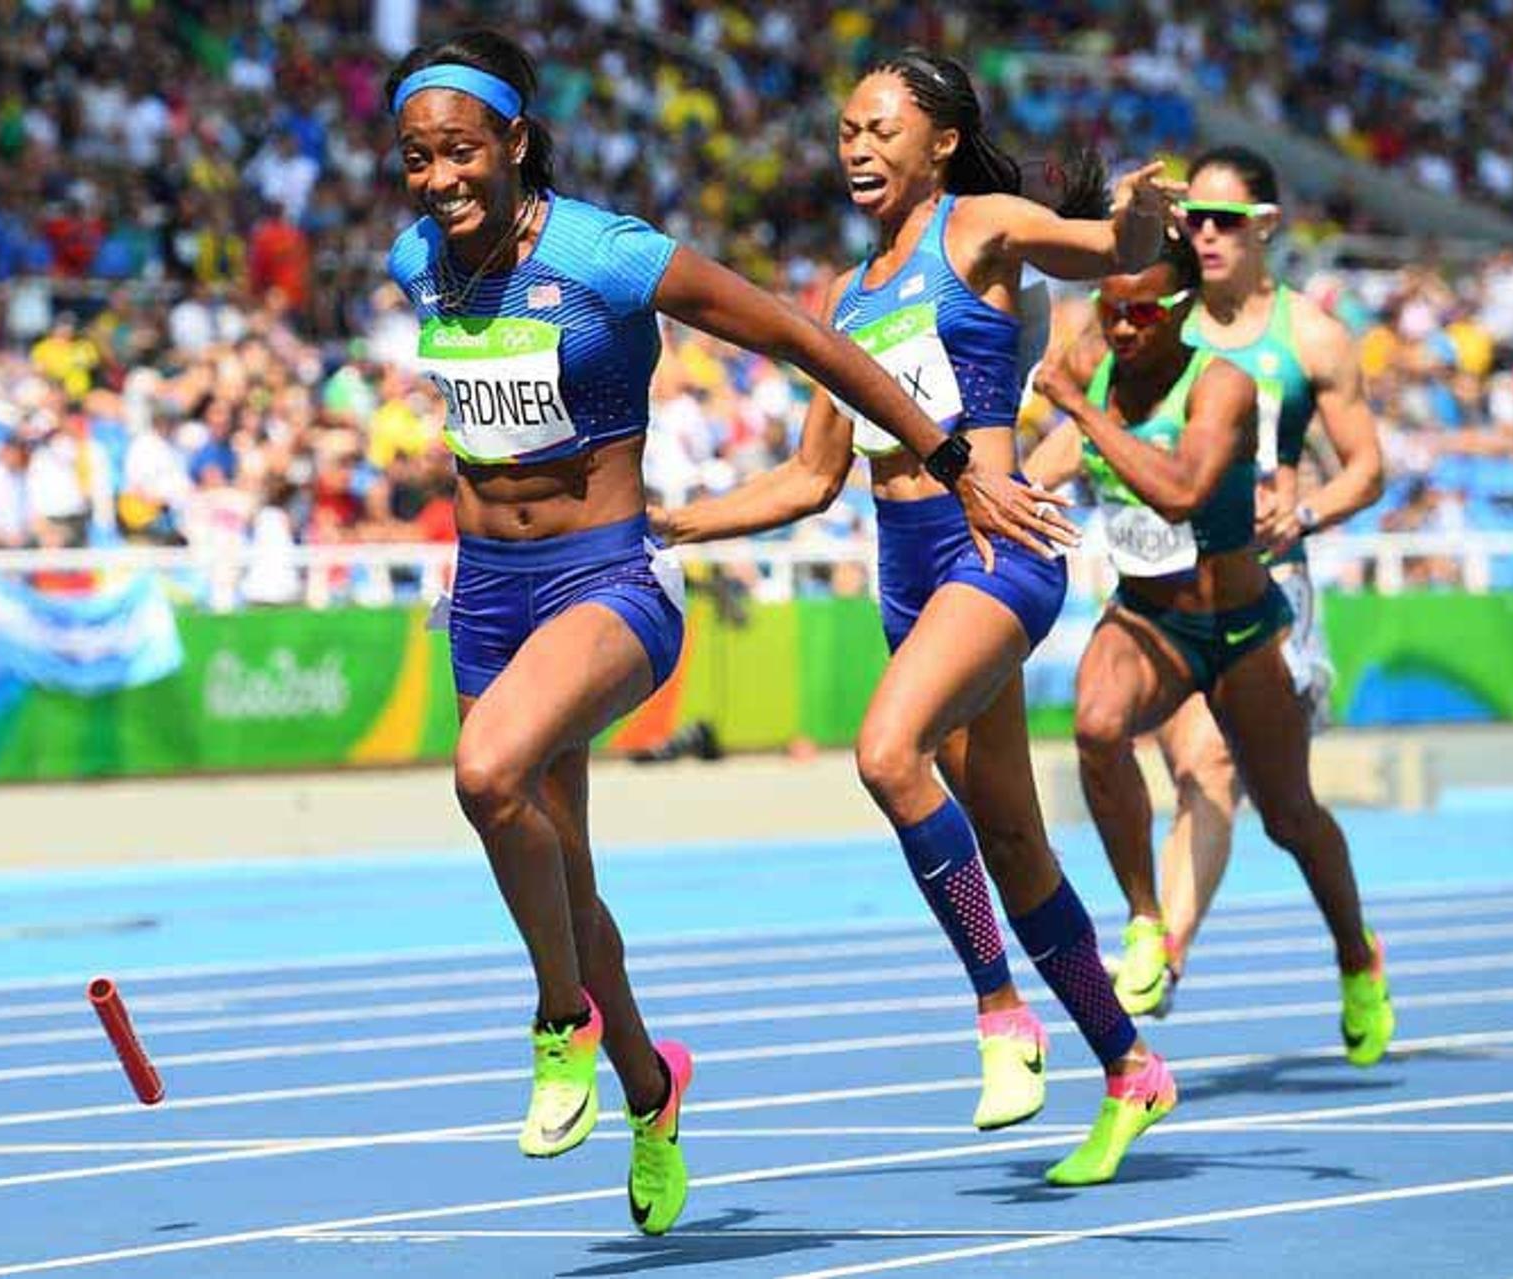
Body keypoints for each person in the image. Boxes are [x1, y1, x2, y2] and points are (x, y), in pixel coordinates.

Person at [384, 30, 1074, 1234]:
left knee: (488, 775)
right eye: (416, 158)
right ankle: (651, 1092)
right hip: (485, 591)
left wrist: (950, 454)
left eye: (460, 153)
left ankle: (559, 1025)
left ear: (514, 142)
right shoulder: (417, 264)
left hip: (604, 581)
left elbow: (806, 341)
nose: (439, 178)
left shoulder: (608, 253)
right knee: (568, 875)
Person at [658, 50, 1174, 1186]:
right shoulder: (843, 300)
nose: (854, 145)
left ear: (939, 140)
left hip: (995, 553)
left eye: (878, 127)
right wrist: (671, 524)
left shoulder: (980, 227)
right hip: (906, 571)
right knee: (1013, 839)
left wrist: (1136, 218)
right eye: (844, 128)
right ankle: (1130, 1063)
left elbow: (1107, 253)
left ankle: (1001, 1012)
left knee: (886, 753)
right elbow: (806, 479)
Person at [1027, 236, 1395, 1069]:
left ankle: (1354, 954)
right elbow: (1040, 472)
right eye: (1109, 310)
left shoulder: (1220, 385)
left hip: (1236, 629)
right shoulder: (1093, 370)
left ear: (1183, 310)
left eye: (1143, 311)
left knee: (1290, 817)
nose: (1122, 328)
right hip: (1148, 618)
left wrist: (1080, 413)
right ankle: (1147, 919)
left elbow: (1183, 490)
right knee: (1096, 726)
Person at [1111, 146, 1385, 1014]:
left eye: (1224, 220)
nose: (1204, 234)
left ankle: (1355, 950)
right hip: (1172, 591)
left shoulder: (1310, 335)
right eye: (1193, 218)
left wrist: (1304, 513)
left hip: (1273, 594)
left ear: (1266, 227)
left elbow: (1367, 468)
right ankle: (1166, 954)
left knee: (1288, 814)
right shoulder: (1163, 322)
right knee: (1202, 762)